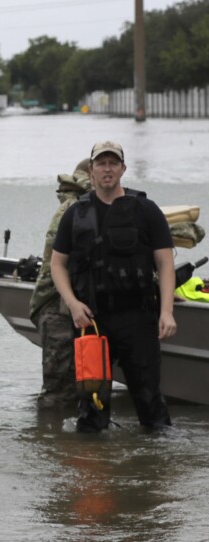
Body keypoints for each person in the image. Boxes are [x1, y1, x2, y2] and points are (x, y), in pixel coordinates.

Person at [50, 141, 176, 433]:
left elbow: (165, 263)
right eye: (101, 163)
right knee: (91, 404)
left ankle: (156, 470)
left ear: (123, 169)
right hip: (92, 320)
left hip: (138, 317)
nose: (107, 169)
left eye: (113, 163)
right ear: (91, 171)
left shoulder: (146, 210)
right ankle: (94, 470)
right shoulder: (75, 214)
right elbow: (57, 265)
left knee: (150, 403)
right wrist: (72, 303)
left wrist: (166, 312)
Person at [29, 158, 93, 408]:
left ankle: (63, 442)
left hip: (72, 308)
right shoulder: (72, 209)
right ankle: (52, 440)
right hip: (58, 309)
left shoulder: (85, 207)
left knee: (83, 385)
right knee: (58, 392)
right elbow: (55, 264)